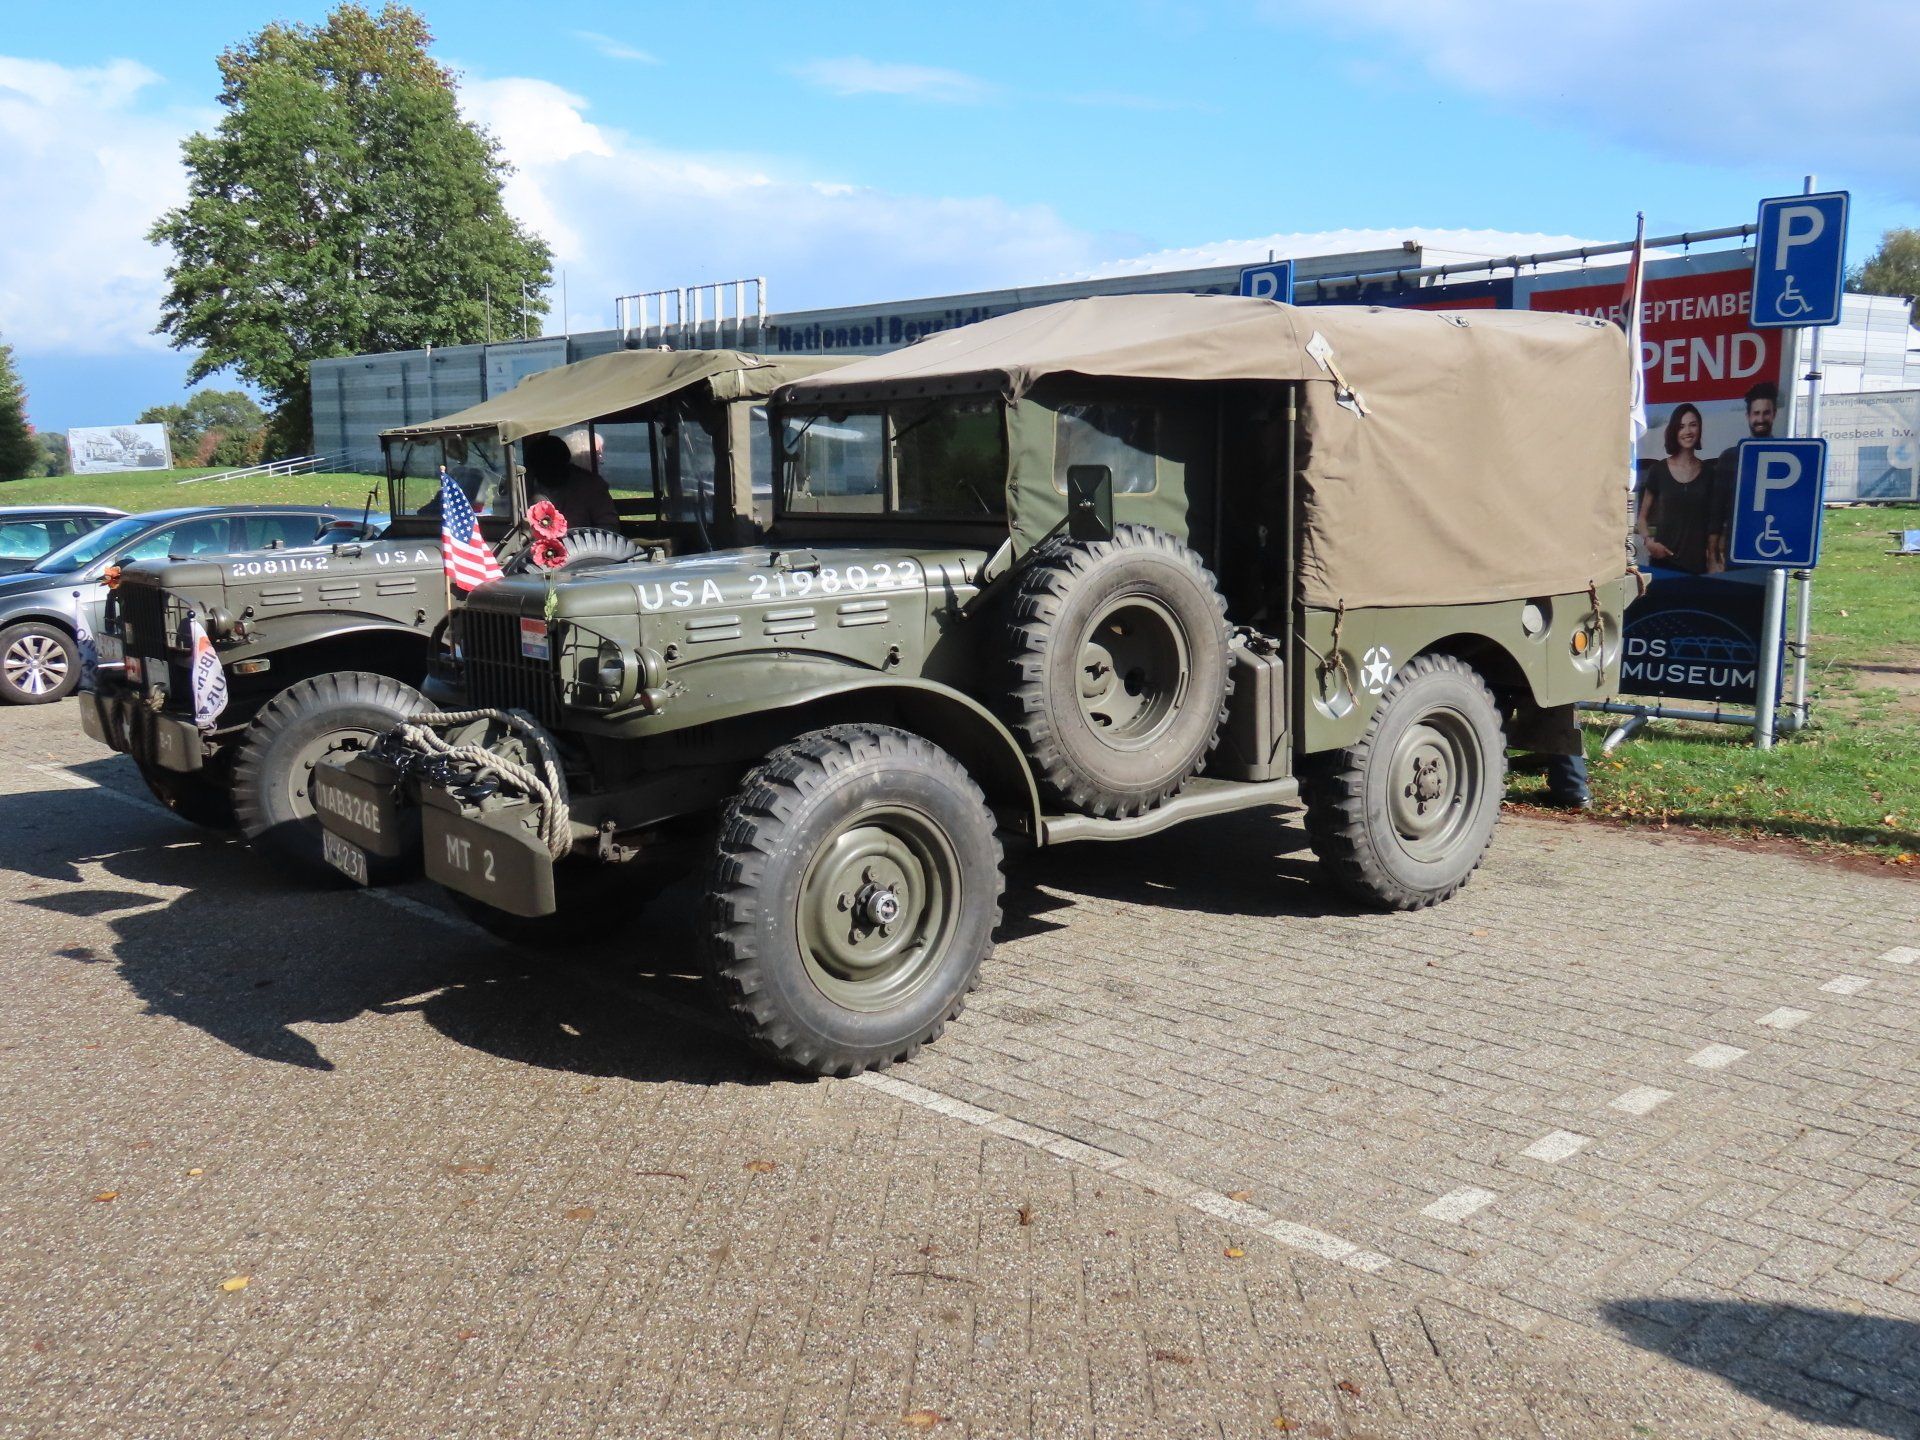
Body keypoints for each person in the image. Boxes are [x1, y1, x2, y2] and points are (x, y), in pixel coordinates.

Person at [1635, 403, 1718, 575]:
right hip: (1663, 563)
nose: (1688, 431)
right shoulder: (1658, 470)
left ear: (1699, 429)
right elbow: (1642, 518)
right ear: (1674, 431)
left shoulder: (1709, 472)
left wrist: (1712, 559)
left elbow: (1713, 523)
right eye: (1681, 426)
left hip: (1697, 567)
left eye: (1692, 425)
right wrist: (1649, 543)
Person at [1710, 381, 1778, 569]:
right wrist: (1713, 546)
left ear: (1774, 414)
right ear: (1748, 416)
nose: (1761, 419)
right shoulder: (1730, 457)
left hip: (1773, 545)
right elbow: (1717, 506)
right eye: (1756, 413)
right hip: (1736, 547)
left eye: (1766, 413)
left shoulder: (1786, 455)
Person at [522, 433, 619, 532]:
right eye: (542, 468)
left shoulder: (591, 486)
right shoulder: (524, 486)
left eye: (553, 465)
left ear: (565, 462)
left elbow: (608, 527)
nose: (549, 472)